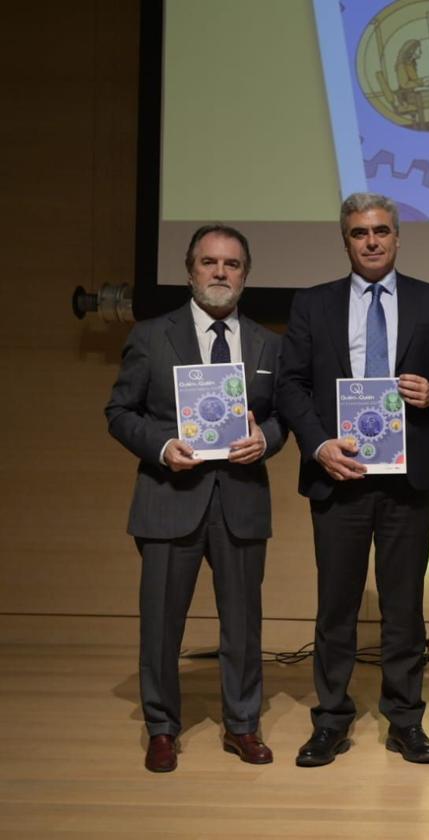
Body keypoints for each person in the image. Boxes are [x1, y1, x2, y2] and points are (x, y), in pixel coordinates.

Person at [276, 192, 429, 768]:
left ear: (396, 237)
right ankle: (331, 720)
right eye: (360, 232)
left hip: (409, 477)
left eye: (381, 231)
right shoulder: (313, 304)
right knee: (335, 606)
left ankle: (405, 721)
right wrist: (318, 446)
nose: (371, 241)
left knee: (404, 604)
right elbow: (291, 386)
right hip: (340, 473)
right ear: (346, 240)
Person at [105, 224, 287, 772]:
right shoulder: (151, 335)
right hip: (168, 498)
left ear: (245, 276)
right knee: (161, 624)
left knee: (243, 624)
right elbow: (119, 413)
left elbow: (281, 419)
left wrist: (267, 439)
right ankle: (162, 727)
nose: (219, 273)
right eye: (209, 263)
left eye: (231, 264)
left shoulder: (267, 344)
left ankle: (242, 724)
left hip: (240, 500)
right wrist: (161, 447)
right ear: (190, 271)